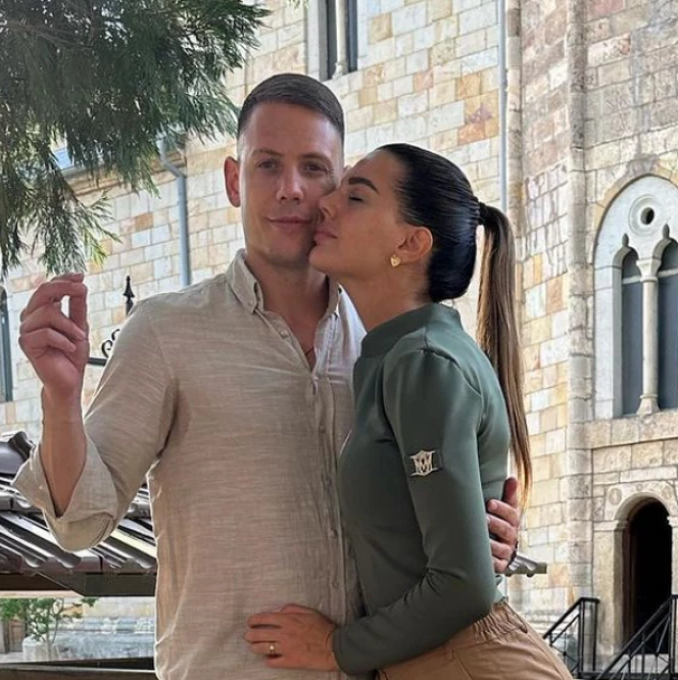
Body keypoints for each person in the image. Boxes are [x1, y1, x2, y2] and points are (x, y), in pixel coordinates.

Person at [14, 75, 521, 680]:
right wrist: (61, 400)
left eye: (314, 168)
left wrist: (490, 537)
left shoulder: (393, 344)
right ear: (235, 180)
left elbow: (440, 539)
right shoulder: (164, 333)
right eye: (268, 165)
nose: (291, 189)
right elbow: (80, 522)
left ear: (336, 188)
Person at [244, 144, 572, 680]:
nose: (326, 203)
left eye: (355, 197)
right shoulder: (401, 355)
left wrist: (337, 648)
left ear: (411, 243)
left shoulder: (422, 361)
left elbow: (464, 585)